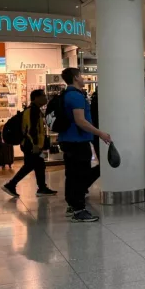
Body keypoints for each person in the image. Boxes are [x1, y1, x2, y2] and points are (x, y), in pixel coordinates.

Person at [59, 67, 110, 223]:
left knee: (72, 175)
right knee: (80, 175)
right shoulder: (75, 96)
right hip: (77, 142)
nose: (83, 78)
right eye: (81, 76)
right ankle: (79, 209)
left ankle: (73, 205)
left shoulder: (66, 95)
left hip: (68, 140)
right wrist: (100, 133)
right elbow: (80, 121)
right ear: (75, 77)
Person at [2, 90, 57, 199]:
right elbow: (31, 130)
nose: (46, 98)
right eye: (43, 96)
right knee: (30, 165)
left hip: (31, 144)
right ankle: (11, 185)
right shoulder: (33, 111)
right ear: (36, 98)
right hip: (30, 145)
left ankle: (42, 188)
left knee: (38, 165)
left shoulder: (34, 110)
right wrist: (35, 144)